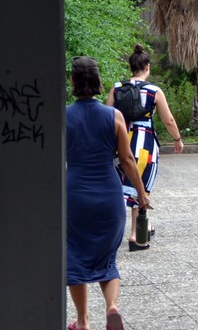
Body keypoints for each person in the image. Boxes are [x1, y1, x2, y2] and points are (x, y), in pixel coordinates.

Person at [66, 56, 151, 330]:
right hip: (108, 194)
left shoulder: (63, 116)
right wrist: (142, 193)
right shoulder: (114, 115)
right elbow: (127, 160)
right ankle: (112, 307)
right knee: (107, 257)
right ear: (98, 82)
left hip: (76, 193)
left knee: (75, 257)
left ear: (72, 82)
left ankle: (82, 321)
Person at [106, 44, 183, 251]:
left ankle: (116, 233)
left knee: (121, 186)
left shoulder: (117, 87)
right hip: (145, 143)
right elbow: (168, 120)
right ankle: (136, 236)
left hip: (120, 141)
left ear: (131, 67)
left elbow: (107, 115)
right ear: (147, 67)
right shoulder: (154, 91)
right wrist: (177, 138)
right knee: (140, 186)